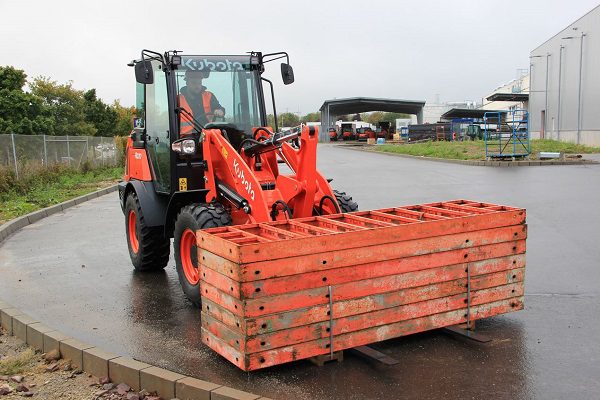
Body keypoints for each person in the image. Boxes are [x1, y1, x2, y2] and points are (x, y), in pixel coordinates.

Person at [179, 69, 225, 136]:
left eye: (199, 83)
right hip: (186, 138)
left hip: (208, 134)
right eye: (194, 83)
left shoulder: (209, 96)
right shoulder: (179, 99)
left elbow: (219, 108)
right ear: (187, 83)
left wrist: (220, 111)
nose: (197, 86)